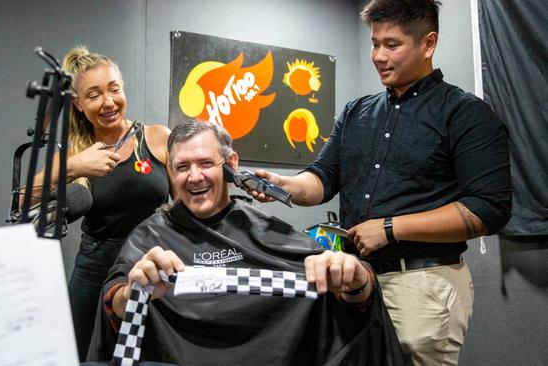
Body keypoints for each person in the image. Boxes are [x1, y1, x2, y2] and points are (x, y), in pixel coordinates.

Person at [247, 1, 512, 365]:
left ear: (428, 44)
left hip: (422, 285)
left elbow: (489, 208)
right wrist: (284, 185)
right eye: (374, 44)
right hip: (354, 281)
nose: (377, 56)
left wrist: (390, 229)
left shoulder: (466, 114)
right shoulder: (357, 111)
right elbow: (323, 179)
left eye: (392, 45)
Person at [85, 120, 405, 365]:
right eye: (182, 167)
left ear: (231, 164)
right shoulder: (149, 236)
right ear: (170, 171)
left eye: (205, 163)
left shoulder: (268, 233)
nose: (193, 176)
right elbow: (114, 307)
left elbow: (355, 301)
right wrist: (132, 293)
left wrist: (357, 279)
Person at [29, 46, 172, 361]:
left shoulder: (157, 138)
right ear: (78, 104)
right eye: (93, 95)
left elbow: (189, 201)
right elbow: (27, 197)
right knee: (83, 358)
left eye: (114, 89)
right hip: (95, 269)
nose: (108, 102)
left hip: (151, 267)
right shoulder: (75, 152)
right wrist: (74, 167)